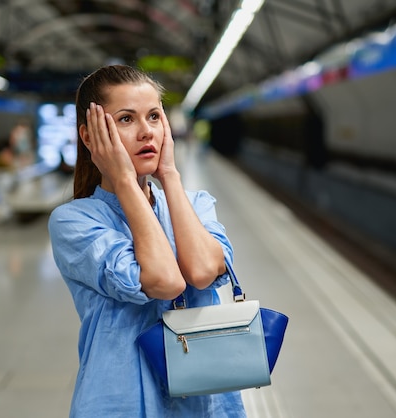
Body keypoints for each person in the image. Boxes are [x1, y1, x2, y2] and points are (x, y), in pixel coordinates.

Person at [47, 64, 247, 417]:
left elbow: (200, 272)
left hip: (203, 404)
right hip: (120, 401)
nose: (146, 133)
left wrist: (168, 174)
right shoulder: (74, 221)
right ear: (90, 137)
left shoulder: (195, 205)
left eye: (154, 117)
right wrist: (124, 180)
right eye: (126, 120)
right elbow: (165, 281)